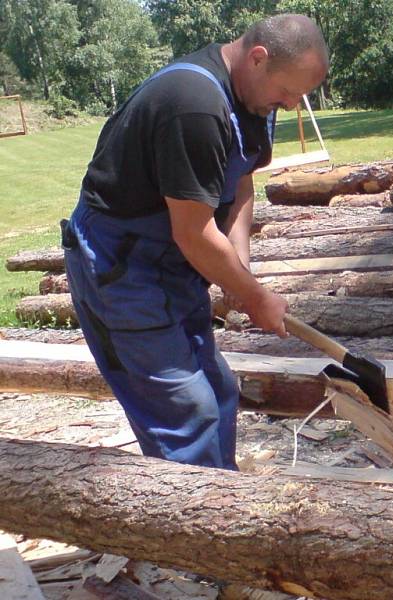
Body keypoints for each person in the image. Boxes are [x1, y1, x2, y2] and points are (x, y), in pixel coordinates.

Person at [61, 14, 329, 470]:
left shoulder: (255, 101)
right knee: (186, 412)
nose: (291, 104)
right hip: (121, 269)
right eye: (288, 91)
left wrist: (238, 272)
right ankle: (194, 533)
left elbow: (241, 185)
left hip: (175, 261)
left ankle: (218, 509)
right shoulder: (195, 105)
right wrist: (254, 296)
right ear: (258, 58)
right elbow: (193, 232)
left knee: (219, 391)